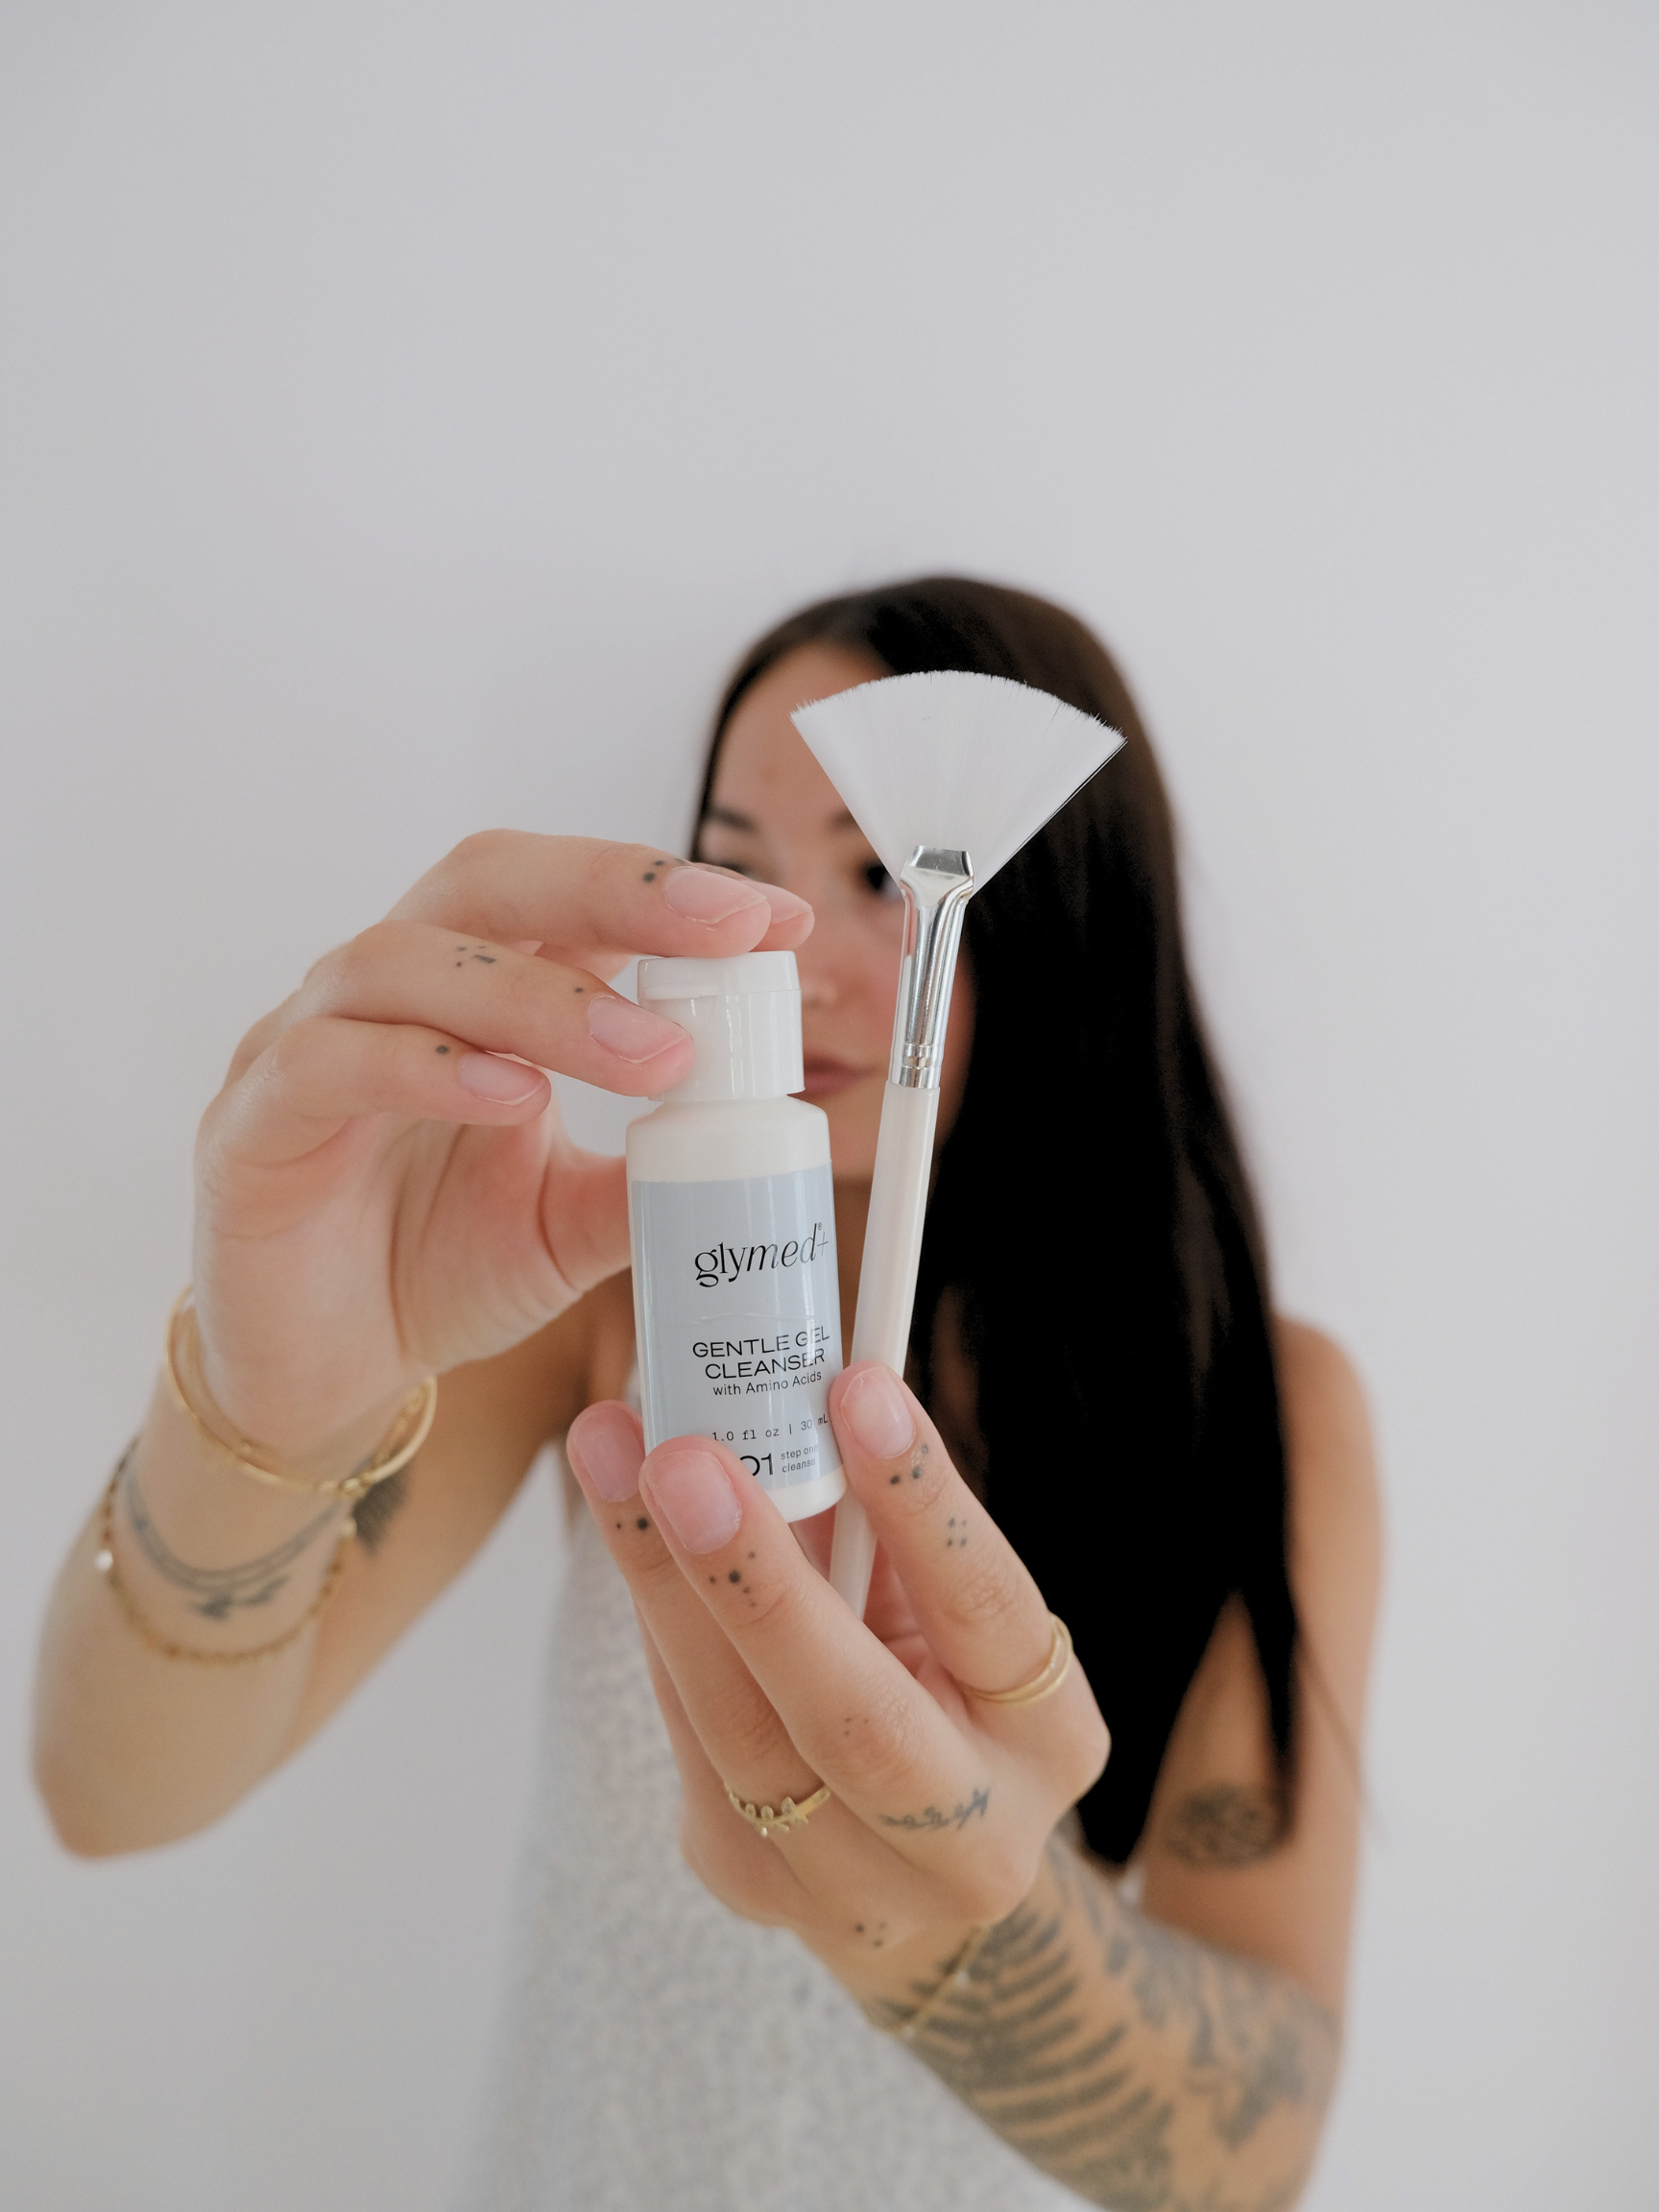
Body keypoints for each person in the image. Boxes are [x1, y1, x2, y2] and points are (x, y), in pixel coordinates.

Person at [34, 576, 1381, 2211]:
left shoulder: (1260, 1404)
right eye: (738, 866)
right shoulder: (587, 1295)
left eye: (879, 874)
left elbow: (1259, 2152)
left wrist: (956, 1914)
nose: (789, 959)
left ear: (1067, 909)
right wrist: (264, 1404)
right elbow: (108, 1792)